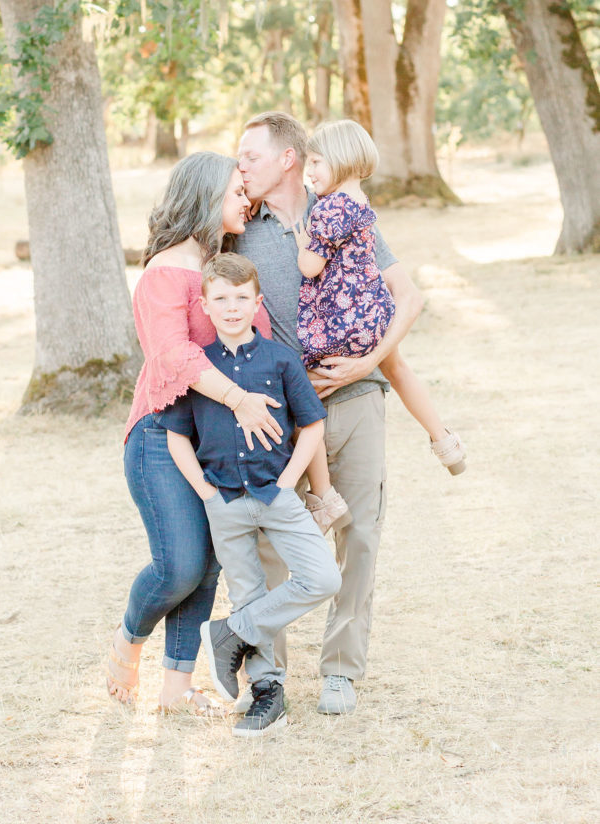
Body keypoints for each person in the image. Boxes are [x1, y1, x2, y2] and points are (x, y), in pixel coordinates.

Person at [236, 110, 424, 715]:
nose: (241, 167)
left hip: (356, 397)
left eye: (251, 156)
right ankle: (267, 676)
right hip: (280, 413)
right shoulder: (240, 228)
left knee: (360, 534)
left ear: (288, 158)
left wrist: (368, 359)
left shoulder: (342, 211)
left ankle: (341, 670)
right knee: (268, 541)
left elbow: (405, 296)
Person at [107, 151, 283, 715]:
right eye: (236, 190)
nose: (246, 200)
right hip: (161, 434)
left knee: (209, 565)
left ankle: (177, 688)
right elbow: (173, 354)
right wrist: (236, 397)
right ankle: (127, 641)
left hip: (216, 442)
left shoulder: (224, 273)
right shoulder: (165, 273)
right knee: (179, 564)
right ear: (207, 194)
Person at [162, 253, 341, 736]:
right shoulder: (200, 369)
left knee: (322, 577)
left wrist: (287, 483)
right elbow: (176, 433)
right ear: (205, 305)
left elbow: (312, 424)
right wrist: (204, 491)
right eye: (221, 298)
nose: (232, 307)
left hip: (276, 494)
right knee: (246, 591)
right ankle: (266, 690)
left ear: (257, 302)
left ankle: (229, 634)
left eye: (242, 298)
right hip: (223, 499)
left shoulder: (280, 358)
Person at [294, 119, 466, 475]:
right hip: (374, 309)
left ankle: (321, 491)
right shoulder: (360, 202)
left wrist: (302, 242)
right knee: (396, 366)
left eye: (315, 162)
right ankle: (443, 440)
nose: (308, 171)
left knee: (304, 386)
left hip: (341, 316)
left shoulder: (327, 209)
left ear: (340, 159)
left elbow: (311, 268)